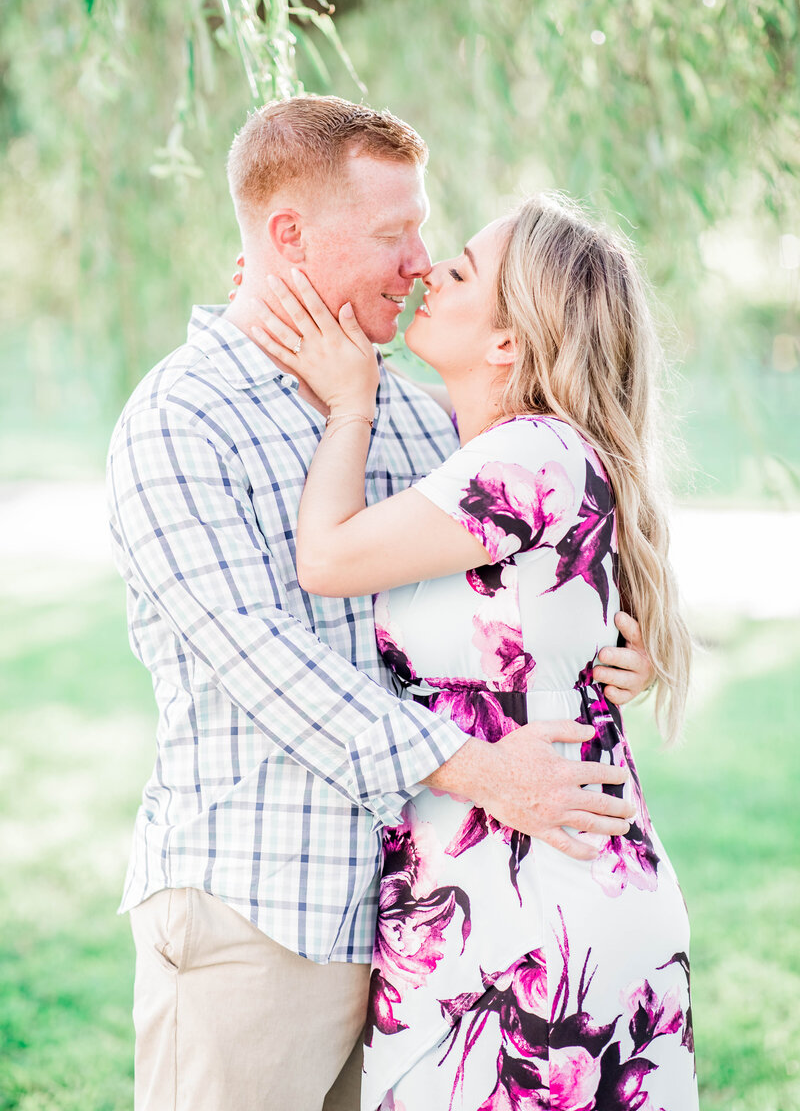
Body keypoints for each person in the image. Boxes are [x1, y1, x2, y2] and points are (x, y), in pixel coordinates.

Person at [106, 96, 653, 1111]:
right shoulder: (177, 421)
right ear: (287, 238)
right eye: (393, 234)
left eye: (422, 231)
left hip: (422, 925)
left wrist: (612, 640)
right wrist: (480, 768)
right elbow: (259, 656)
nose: (418, 262)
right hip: (259, 912)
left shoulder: (414, 412)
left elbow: (523, 568)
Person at [253, 191, 696, 1110]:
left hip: (538, 923)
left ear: (507, 343)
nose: (424, 273)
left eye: (455, 271)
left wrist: (350, 404)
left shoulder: (527, 456)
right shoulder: (501, 458)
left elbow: (327, 557)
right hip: (485, 900)